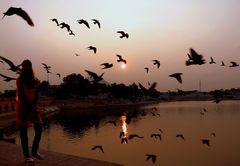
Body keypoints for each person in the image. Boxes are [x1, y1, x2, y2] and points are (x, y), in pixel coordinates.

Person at [16, 59, 44, 163]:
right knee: (23, 133)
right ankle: (27, 156)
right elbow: (21, 96)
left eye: (28, 66)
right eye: (25, 66)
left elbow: (36, 95)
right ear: (22, 68)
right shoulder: (20, 80)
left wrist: (33, 107)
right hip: (23, 108)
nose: (27, 68)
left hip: (33, 107)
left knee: (39, 129)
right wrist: (28, 108)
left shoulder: (36, 80)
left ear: (31, 67)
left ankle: (34, 151)